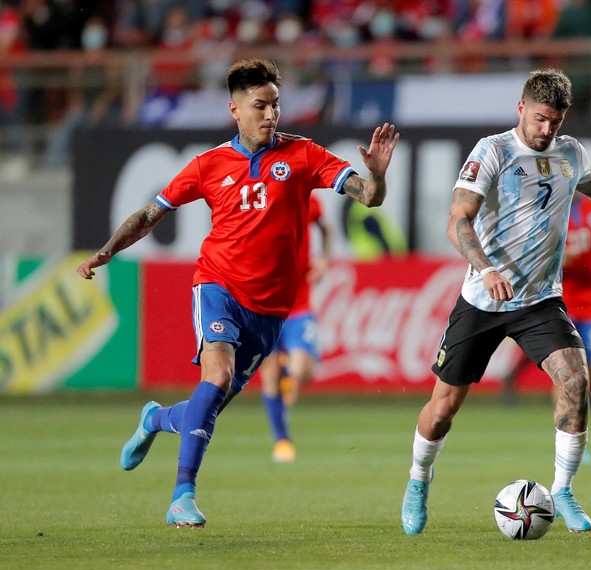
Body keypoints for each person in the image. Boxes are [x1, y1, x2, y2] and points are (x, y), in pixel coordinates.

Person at [76, 58, 400, 528]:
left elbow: (368, 197)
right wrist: (107, 251)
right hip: (217, 284)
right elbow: (150, 214)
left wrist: (379, 175)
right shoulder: (208, 165)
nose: (270, 115)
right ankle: (182, 495)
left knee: (207, 404)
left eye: (275, 105)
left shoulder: (304, 155)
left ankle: (153, 420)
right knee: (219, 374)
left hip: (271, 309)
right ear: (235, 109)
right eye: (260, 106)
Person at [400, 68, 591, 536]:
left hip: (540, 298)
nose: (547, 130)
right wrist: (486, 268)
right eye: (541, 118)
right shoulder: (493, 151)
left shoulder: (570, 153)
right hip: (484, 295)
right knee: (443, 408)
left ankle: (562, 488)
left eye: (556, 122)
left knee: (575, 381)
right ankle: (419, 479)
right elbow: (458, 219)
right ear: (521, 109)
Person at [501, 193, 591, 411]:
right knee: (565, 365)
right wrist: (559, 258)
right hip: (560, 296)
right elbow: (535, 253)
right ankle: (565, 421)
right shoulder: (548, 211)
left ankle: (581, 406)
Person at [259, 192, 333, 463]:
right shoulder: (259, 199)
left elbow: (326, 229)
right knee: (269, 373)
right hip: (264, 304)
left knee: (303, 370)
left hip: (299, 304)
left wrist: (324, 259)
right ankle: (282, 440)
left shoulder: (308, 200)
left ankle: (289, 374)